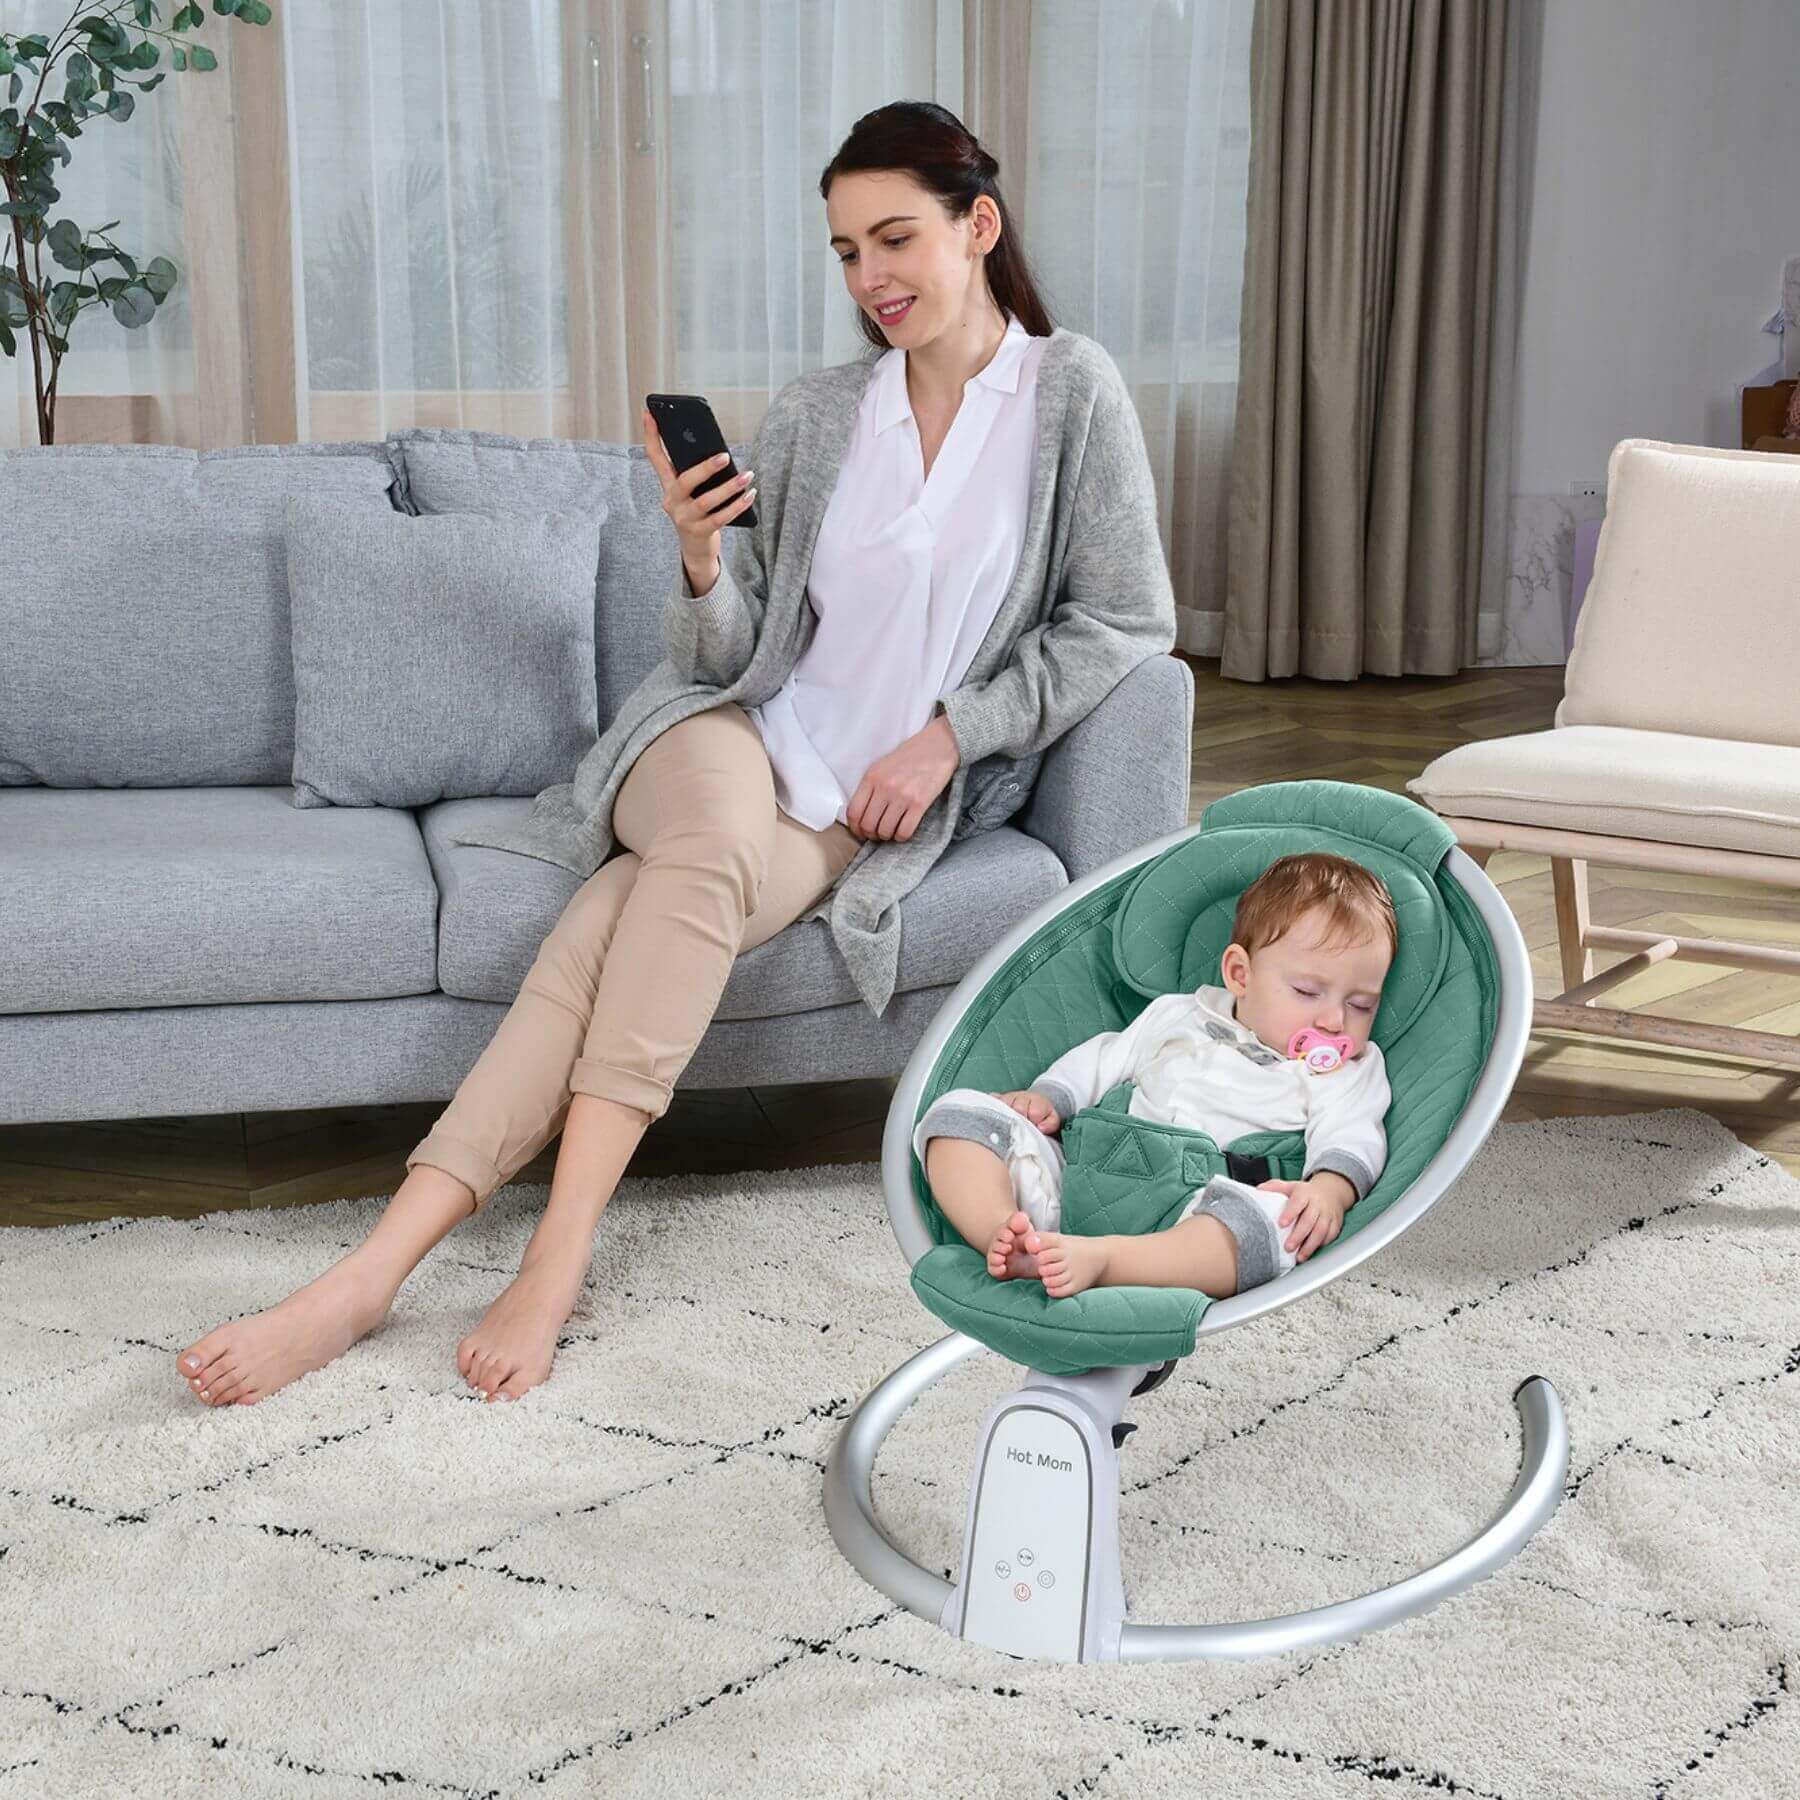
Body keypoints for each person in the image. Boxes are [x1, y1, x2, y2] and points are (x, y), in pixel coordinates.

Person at [175, 99, 1176, 1410]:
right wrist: (701, 554)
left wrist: (951, 736)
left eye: (895, 239)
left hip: (842, 814)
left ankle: (371, 1272)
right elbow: (727, 657)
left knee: (608, 932)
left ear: (977, 226)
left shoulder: (1070, 396)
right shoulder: (823, 414)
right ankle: (558, 1252)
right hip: (720, 741)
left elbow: (1126, 619)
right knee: (697, 849)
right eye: (845, 251)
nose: (871, 276)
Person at [916, 853, 1396, 1299]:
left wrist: (1329, 1190)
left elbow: (1354, 1132)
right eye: (1308, 991)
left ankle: (1111, 1262)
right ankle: (1013, 1237)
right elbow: (1106, 1058)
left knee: (1274, 1225)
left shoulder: (1345, 1070)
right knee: (960, 1115)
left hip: (1198, 1214)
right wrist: (1051, 1097)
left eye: (1361, 1004)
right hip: (1082, 1185)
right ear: (1240, 974)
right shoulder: (1179, 1015)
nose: (1335, 1021)